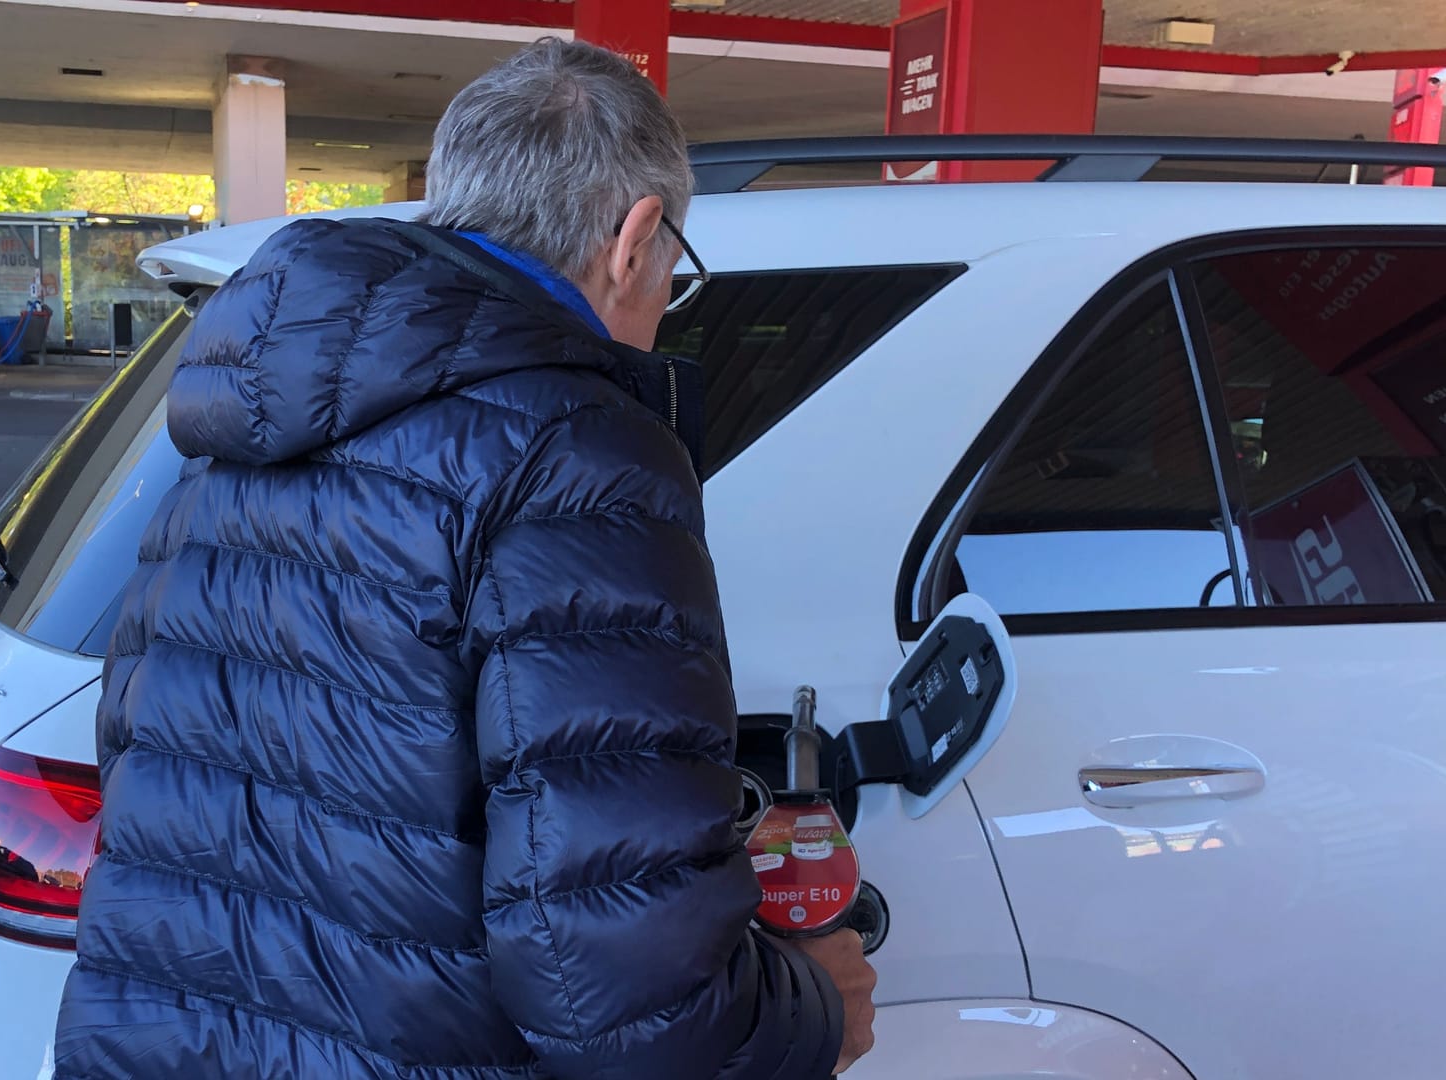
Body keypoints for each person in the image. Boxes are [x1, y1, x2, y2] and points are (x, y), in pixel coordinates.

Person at [54, 38, 876, 1079]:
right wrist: (816, 1012)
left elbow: (154, 766)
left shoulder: (237, 434)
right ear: (635, 238)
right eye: (677, 264)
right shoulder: (582, 454)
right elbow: (617, 988)